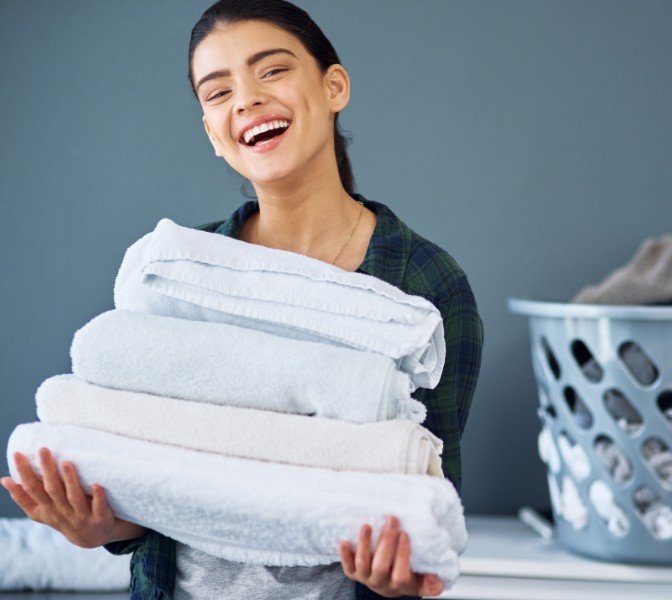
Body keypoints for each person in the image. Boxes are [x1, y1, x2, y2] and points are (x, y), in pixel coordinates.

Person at [0, 1, 484, 598]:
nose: (247, 100)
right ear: (213, 132)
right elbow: (152, 464)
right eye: (218, 92)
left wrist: (400, 578)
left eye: (272, 70)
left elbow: (433, 505)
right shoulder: (175, 272)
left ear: (334, 86)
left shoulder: (423, 287)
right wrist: (105, 525)